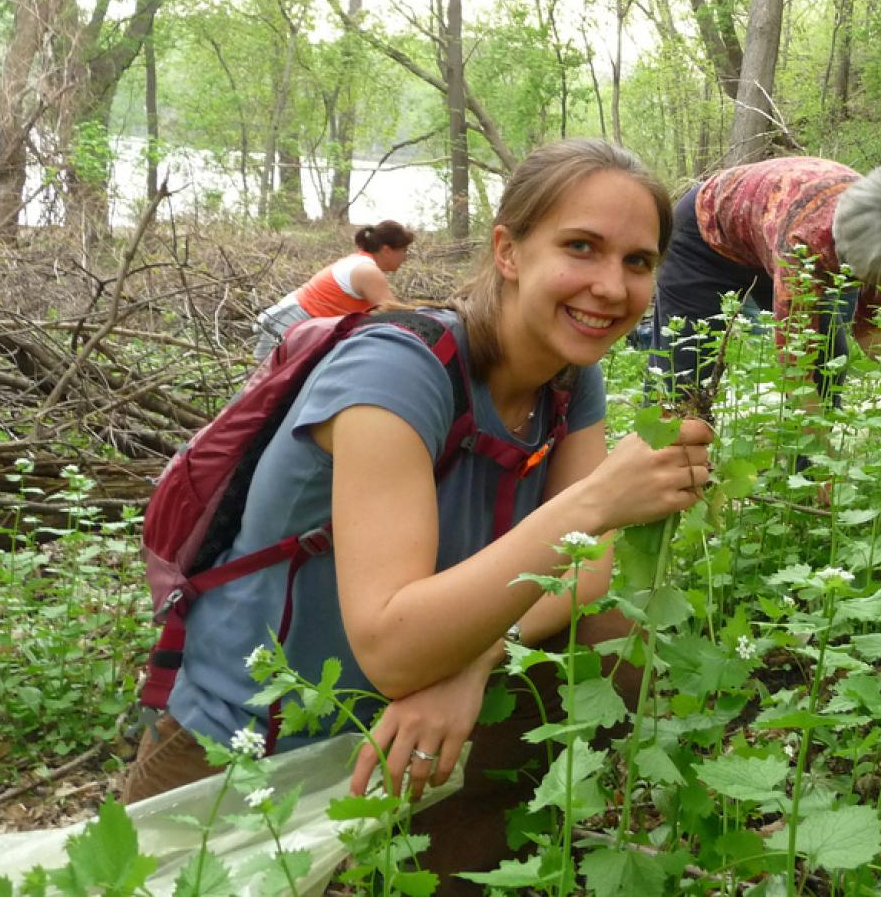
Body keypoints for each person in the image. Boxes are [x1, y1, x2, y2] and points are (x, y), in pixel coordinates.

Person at [123, 139, 714, 886]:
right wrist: (600, 497)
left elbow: (589, 571)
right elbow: (391, 646)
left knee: (612, 636)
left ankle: (461, 854)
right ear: (508, 250)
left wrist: (471, 660)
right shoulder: (396, 370)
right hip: (256, 733)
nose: (609, 285)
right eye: (581, 247)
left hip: (412, 717)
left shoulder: (572, 379)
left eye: (637, 261)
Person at [649, 157, 881, 395]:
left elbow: (869, 330)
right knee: (683, 375)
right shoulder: (805, 245)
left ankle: (804, 466)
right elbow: (796, 369)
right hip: (705, 238)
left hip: (767, 234)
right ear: (845, 258)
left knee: (830, 362)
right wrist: (819, 451)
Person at [252, 219, 416, 360]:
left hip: (302, 327)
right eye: (403, 251)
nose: (405, 258)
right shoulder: (367, 270)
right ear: (387, 250)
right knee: (263, 389)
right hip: (289, 324)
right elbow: (395, 317)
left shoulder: (360, 262)